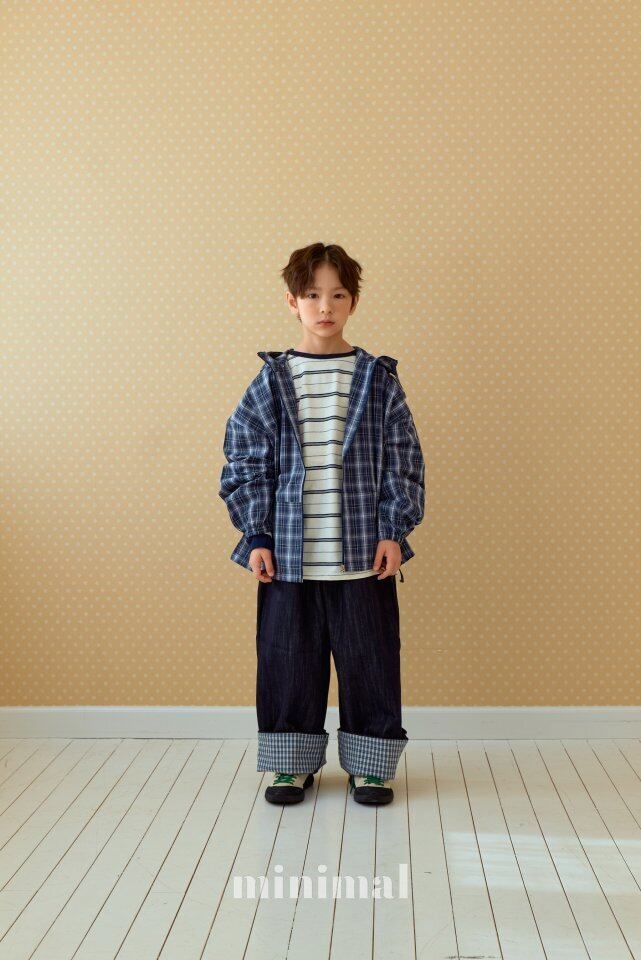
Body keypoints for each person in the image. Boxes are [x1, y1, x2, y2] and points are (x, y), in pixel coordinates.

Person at [219, 242, 426, 806]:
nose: (325, 306)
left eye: (337, 294)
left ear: (353, 301)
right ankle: (290, 766)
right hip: (290, 556)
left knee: (371, 662)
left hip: (362, 556)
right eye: (312, 295)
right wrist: (256, 535)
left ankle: (371, 767)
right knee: (287, 661)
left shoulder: (377, 380)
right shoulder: (272, 381)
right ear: (292, 301)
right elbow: (245, 459)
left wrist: (393, 530)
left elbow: (403, 458)